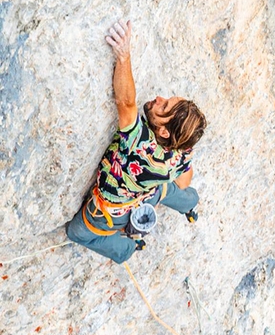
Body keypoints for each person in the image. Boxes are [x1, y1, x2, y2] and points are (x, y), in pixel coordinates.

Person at [67, 19, 207, 264]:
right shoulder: (183, 147)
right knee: (166, 188)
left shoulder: (140, 146)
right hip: (150, 193)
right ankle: (190, 203)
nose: (158, 98)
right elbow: (184, 177)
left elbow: (126, 103)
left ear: (164, 133)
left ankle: (127, 248)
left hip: (112, 212)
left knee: (76, 232)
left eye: (163, 106)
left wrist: (123, 56)